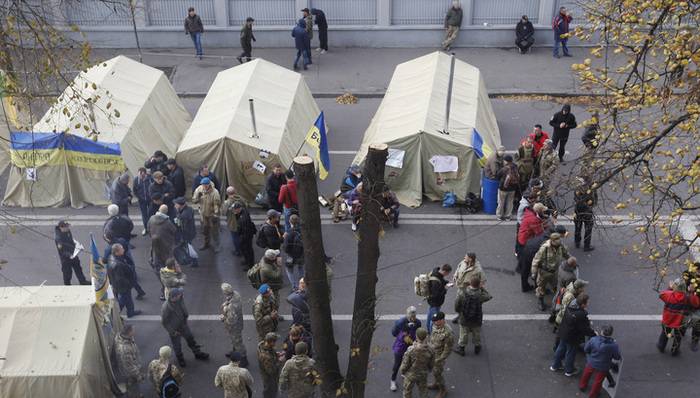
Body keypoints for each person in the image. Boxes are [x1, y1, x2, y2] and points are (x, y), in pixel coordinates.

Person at [161, 288, 209, 367]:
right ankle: (180, 358)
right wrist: (172, 332)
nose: (181, 295)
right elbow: (164, 322)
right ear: (174, 297)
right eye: (179, 295)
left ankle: (197, 353)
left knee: (191, 339)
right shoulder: (166, 307)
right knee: (177, 345)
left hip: (183, 325)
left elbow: (181, 292)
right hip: (175, 330)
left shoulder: (179, 299)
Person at [551, 294, 595, 377]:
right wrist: (593, 333)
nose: (588, 304)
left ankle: (555, 365)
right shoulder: (580, 314)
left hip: (563, 332)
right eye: (587, 302)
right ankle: (569, 370)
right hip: (572, 337)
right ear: (582, 304)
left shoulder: (570, 306)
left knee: (561, 348)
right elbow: (584, 329)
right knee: (570, 353)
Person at [658, 278, 700, 355]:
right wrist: (691, 291)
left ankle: (661, 347)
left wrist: (670, 288)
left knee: (665, 334)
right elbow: (696, 303)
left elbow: (661, 294)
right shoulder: (687, 297)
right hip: (679, 323)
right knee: (678, 337)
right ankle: (675, 351)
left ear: (674, 287)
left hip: (667, 321)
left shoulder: (668, 294)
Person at [579, 325, 622, 398]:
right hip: (603, 366)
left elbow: (586, 349)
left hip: (591, 362)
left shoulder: (593, 340)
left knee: (586, 374)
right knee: (598, 381)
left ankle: (582, 386)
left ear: (602, 332)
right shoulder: (613, 345)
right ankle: (593, 395)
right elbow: (617, 357)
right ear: (611, 333)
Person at [454, 277, 492, 356]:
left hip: (464, 317)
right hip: (476, 317)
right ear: (478, 285)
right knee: (476, 333)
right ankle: (477, 347)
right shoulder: (480, 295)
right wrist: (482, 288)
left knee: (463, 333)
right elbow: (489, 296)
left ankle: (461, 348)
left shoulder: (463, 293)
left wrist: (459, 312)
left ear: (470, 283)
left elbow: (457, 304)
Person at [531, 232, 570, 311]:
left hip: (555, 271)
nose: (558, 246)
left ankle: (557, 301)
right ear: (551, 241)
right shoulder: (544, 248)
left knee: (556, 286)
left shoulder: (560, 245)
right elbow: (535, 261)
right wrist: (534, 273)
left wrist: (571, 261)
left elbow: (566, 254)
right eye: (556, 244)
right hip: (544, 272)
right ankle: (540, 301)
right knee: (541, 288)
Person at [148, 204, 177, 300]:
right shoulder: (167, 222)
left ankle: (163, 286)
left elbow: (148, 230)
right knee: (169, 268)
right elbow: (174, 231)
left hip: (155, 248)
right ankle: (169, 286)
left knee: (158, 269)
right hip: (167, 248)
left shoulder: (151, 219)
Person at [389, 306, 422, 391]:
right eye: (411, 316)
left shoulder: (418, 322)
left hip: (411, 346)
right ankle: (393, 380)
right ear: (407, 315)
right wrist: (406, 333)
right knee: (397, 364)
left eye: (414, 316)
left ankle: (404, 373)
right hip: (400, 346)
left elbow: (418, 333)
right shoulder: (400, 322)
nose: (412, 318)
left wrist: (418, 341)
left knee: (408, 362)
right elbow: (395, 334)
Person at [400, 327, 434, 398]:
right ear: (426, 337)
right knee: (423, 390)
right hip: (423, 373)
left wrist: (402, 371)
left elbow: (405, 364)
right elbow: (431, 363)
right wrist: (429, 369)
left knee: (407, 391)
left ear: (416, 336)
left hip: (411, 375)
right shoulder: (431, 349)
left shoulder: (411, 349)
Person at [109, 243, 142, 318]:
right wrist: (128, 283)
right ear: (117, 252)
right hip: (123, 287)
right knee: (123, 301)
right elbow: (120, 279)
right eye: (121, 249)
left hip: (121, 285)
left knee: (128, 299)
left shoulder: (112, 257)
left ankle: (130, 312)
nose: (123, 249)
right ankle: (114, 315)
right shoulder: (118, 264)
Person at [54, 221, 90, 286]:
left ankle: (82, 281)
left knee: (78, 268)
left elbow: (71, 239)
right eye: (66, 226)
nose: (68, 228)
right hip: (66, 258)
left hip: (73, 253)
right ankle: (67, 284)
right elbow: (61, 251)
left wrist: (77, 245)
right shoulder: (58, 238)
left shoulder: (67, 231)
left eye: (68, 226)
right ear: (61, 228)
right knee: (67, 272)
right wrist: (70, 255)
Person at [220, 283, 248, 367]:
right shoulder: (236, 294)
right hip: (239, 323)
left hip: (234, 327)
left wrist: (223, 318)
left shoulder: (231, 306)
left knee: (238, 342)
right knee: (234, 340)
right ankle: (234, 351)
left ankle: (243, 358)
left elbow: (231, 320)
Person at [428, 312, 453, 398]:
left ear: (442, 320)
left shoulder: (448, 332)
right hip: (432, 352)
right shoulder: (435, 325)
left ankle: (443, 390)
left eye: (436, 321)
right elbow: (432, 337)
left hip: (439, 356)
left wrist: (441, 359)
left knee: (437, 373)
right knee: (435, 372)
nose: (434, 323)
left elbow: (448, 349)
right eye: (434, 321)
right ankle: (436, 384)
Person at [192, 177, 222, 252]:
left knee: (214, 231)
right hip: (203, 214)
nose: (204, 186)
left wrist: (216, 215)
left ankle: (217, 245)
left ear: (209, 184)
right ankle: (206, 243)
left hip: (212, 215)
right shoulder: (199, 189)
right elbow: (194, 201)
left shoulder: (215, 192)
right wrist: (197, 197)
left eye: (206, 185)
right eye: (203, 185)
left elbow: (217, 204)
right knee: (205, 230)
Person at [114, 324, 143, 398]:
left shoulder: (125, 338)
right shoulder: (125, 349)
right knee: (133, 388)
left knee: (134, 388)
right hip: (130, 375)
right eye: (133, 330)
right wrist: (138, 375)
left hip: (132, 369)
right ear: (129, 332)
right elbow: (129, 367)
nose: (134, 331)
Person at [426, 264, 452, 333]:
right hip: (435, 302)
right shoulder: (435, 282)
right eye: (448, 273)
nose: (447, 275)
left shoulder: (436, 272)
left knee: (430, 316)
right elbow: (436, 295)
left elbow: (441, 280)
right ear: (445, 271)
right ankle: (432, 333)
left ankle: (428, 329)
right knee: (435, 320)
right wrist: (445, 289)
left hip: (432, 301)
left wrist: (446, 282)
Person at [574, 177, 597, 251]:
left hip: (578, 211)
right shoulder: (590, 190)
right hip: (587, 212)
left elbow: (575, 199)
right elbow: (594, 200)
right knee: (588, 228)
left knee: (578, 227)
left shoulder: (577, 190)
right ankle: (586, 246)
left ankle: (577, 242)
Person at [258, 332, 283, 398]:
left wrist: (275, 355)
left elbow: (270, 352)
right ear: (271, 342)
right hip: (269, 378)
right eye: (274, 341)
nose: (275, 343)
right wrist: (279, 361)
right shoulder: (266, 357)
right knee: (270, 391)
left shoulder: (262, 345)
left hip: (266, 373)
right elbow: (271, 371)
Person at [223, 186, 247, 256]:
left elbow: (223, 212)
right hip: (242, 222)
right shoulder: (240, 199)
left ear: (227, 193)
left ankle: (238, 251)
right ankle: (243, 250)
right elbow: (246, 205)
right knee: (241, 237)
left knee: (235, 238)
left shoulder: (227, 202)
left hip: (233, 223)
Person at [173, 197, 197, 265]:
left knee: (188, 248)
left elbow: (181, 225)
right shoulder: (189, 209)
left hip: (187, 234)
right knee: (187, 247)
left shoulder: (184, 215)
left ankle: (192, 260)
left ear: (181, 205)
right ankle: (191, 260)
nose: (175, 205)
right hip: (190, 232)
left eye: (176, 204)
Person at [283, 214, 304, 290]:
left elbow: (285, 247)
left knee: (289, 270)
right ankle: (302, 283)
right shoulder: (302, 230)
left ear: (290, 222)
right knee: (301, 267)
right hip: (301, 254)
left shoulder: (289, 233)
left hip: (291, 255)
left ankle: (294, 286)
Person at [495, 154, 519, 220]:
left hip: (503, 188)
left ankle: (499, 215)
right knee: (510, 202)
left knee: (501, 202)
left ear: (506, 161)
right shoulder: (515, 167)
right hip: (513, 188)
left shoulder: (504, 169)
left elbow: (498, 176)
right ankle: (508, 216)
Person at [233, 202, 257, 268]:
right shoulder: (243, 212)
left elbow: (244, 229)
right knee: (245, 249)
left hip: (246, 236)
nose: (234, 211)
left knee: (247, 250)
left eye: (235, 209)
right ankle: (247, 260)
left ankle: (250, 264)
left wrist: (242, 238)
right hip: (245, 235)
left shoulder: (243, 218)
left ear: (239, 209)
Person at [133, 167, 153, 236]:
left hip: (150, 200)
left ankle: (152, 228)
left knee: (151, 214)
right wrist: (139, 197)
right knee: (144, 215)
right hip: (142, 201)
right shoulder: (136, 180)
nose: (141, 177)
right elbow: (134, 190)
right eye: (139, 175)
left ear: (145, 174)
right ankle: (146, 228)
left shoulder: (150, 179)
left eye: (142, 175)